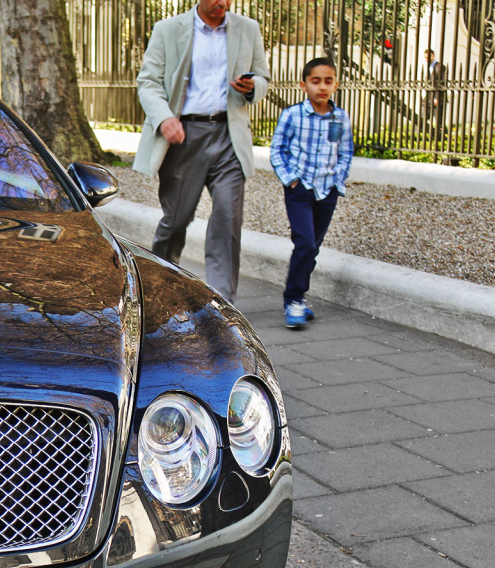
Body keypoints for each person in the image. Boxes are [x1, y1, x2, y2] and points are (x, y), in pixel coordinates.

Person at [133, 0, 269, 303]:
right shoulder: (168, 30)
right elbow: (148, 82)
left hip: (229, 135)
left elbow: (262, 77)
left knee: (227, 219)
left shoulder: (248, 29)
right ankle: (160, 284)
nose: (222, 3)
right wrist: (165, 118)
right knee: (177, 219)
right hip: (184, 136)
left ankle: (222, 304)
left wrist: (251, 87)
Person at [269, 57, 352, 330]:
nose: (322, 87)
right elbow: (277, 149)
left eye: (328, 81)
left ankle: (299, 300)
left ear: (336, 84)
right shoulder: (292, 115)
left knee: (312, 248)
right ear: (303, 85)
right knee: (304, 242)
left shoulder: (340, 117)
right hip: (300, 190)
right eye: (315, 81)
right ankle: (292, 299)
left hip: (327, 191)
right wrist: (290, 180)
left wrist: (338, 181)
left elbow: (345, 151)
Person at [423, 49, 445, 132]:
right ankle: (424, 131)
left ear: (433, 56)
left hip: (436, 97)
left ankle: (442, 133)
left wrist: (437, 97)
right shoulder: (428, 66)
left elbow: (441, 83)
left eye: (428, 57)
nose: (427, 59)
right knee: (424, 115)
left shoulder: (439, 67)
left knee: (438, 118)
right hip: (428, 96)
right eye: (425, 57)